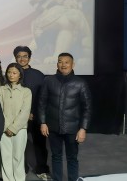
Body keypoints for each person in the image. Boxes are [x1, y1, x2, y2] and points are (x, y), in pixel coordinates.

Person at [39, 53, 91, 181]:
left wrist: (83, 129)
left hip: (73, 128)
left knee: (72, 158)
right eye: (60, 61)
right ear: (57, 64)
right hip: (52, 127)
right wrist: (43, 122)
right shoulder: (48, 81)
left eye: (66, 62)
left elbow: (87, 108)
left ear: (73, 64)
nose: (63, 65)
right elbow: (42, 103)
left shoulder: (80, 83)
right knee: (56, 156)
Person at [13, 45, 49, 178]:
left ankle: (42, 170)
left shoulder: (38, 75)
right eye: (19, 56)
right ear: (15, 58)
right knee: (18, 145)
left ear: (29, 58)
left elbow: (43, 97)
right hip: (17, 117)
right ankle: (21, 169)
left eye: (25, 56)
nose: (22, 59)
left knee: (40, 144)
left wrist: (34, 112)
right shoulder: (11, 74)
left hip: (35, 116)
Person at [0, 63, 32, 181]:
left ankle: (19, 179)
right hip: (4, 129)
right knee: (5, 156)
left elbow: (25, 112)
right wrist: (7, 127)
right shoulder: (1, 90)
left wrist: (13, 128)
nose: (11, 75)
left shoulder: (26, 91)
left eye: (14, 73)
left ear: (20, 75)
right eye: (9, 72)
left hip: (20, 129)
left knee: (18, 157)